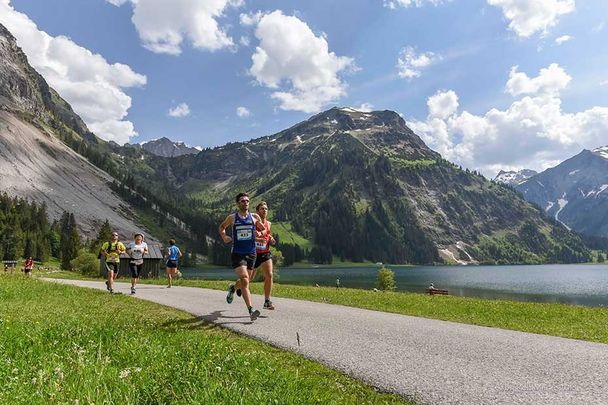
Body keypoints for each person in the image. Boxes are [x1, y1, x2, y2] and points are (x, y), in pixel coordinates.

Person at [219, 192, 267, 321]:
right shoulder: (232, 218)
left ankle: (233, 288)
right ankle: (251, 310)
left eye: (247, 201)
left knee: (247, 281)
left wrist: (260, 233)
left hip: (251, 253)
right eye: (242, 201)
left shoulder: (254, 217)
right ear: (237, 204)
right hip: (238, 253)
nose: (245, 203)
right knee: (245, 279)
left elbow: (264, 229)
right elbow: (222, 227)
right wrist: (224, 236)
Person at [252, 201, 276, 310]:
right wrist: (258, 238)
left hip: (265, 253)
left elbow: (267, 233)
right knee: (248, 278)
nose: (265, 210)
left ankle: (267, 301)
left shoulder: (269, 223)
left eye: (266, 208)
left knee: (269, 275)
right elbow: (249, 237)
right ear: (257, 211)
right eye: (262, 208)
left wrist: (271, 238)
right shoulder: (252, 221)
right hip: (253, 253)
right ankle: (234, 288)